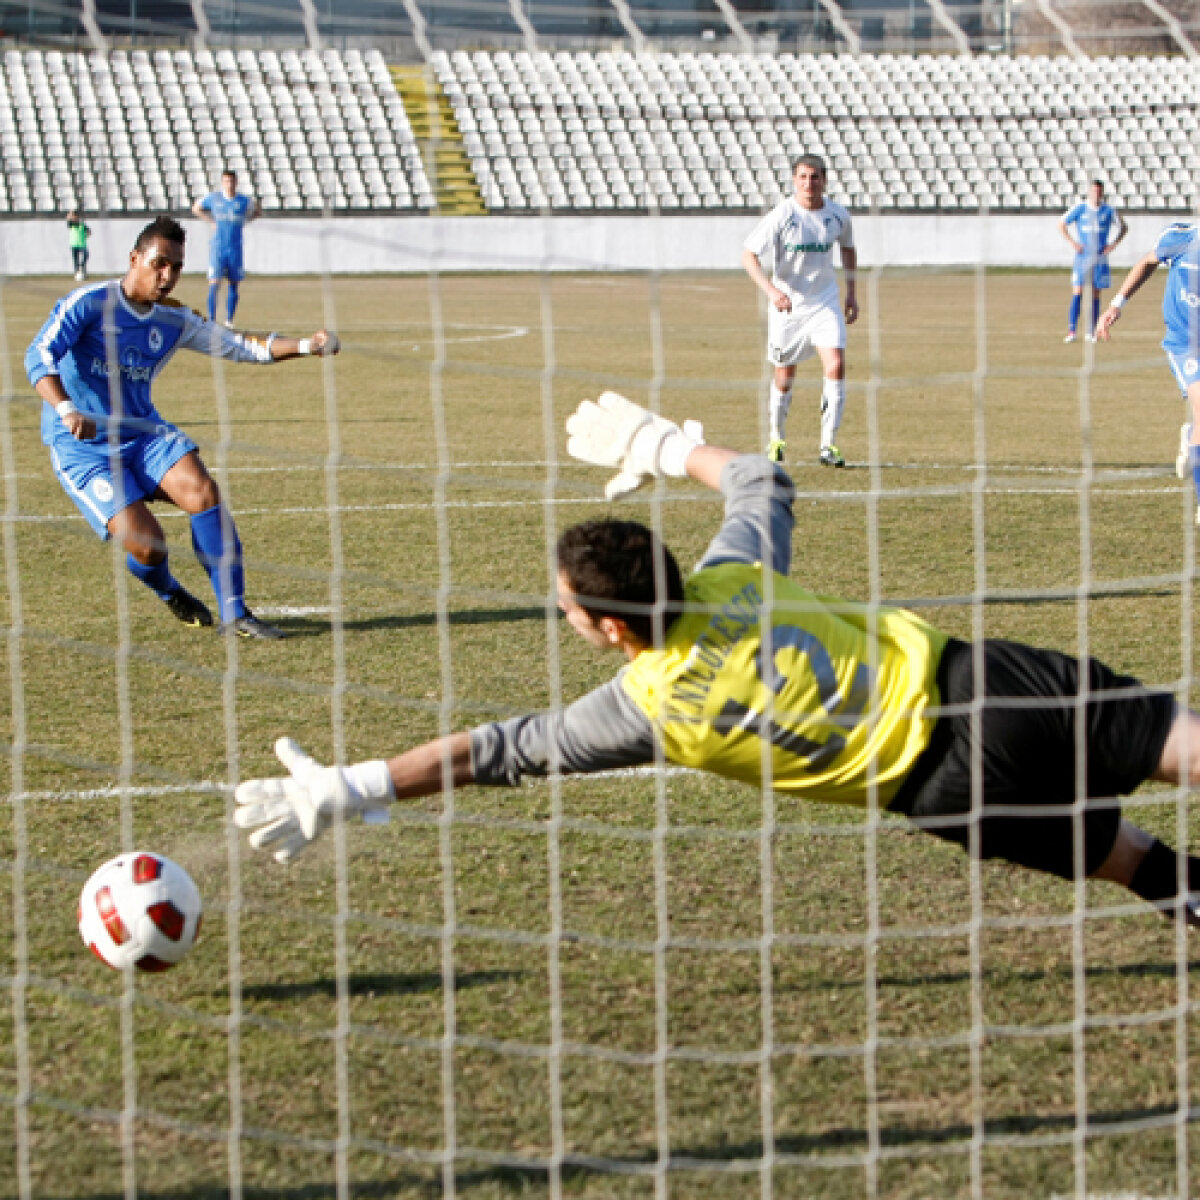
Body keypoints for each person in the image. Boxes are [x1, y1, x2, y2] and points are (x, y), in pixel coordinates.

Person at [233, 391, 1200, 930]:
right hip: (980, 681)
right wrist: (660, 444)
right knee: (1182, 748)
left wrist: (355, 786)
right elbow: (758, 479)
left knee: (1127, 860)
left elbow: (499, 750)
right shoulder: (733, 575)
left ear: (613, 631)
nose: (561, 610)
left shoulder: (646, 709)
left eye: (567, 605)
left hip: (942, 790)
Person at [26, 215, 340, 640]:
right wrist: (65, 408)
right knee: (147, 546)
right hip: (83, 447)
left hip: (143, 434)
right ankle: (168, 590)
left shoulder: (173, 319)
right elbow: (38, 355)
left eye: (175, 267)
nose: (167, 276)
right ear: (134, 259)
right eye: (159, 264)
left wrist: (307, 346)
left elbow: (239, 346)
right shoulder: (88, 303)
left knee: (202, 491)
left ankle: (235, 614)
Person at [741, 154, 858, 467]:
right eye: (803, 177)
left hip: (824, 303)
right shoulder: (782, 215)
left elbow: (848, 249)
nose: (809, 183)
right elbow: (749, 255)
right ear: (794, 180)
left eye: (815, 177)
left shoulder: (837, 215)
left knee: (836, 365)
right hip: (788, 308)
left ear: (824, 180)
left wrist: (851, 293)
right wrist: (772, 291)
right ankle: (776, 438)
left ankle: (828, 445)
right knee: (784, 375)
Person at [1095, 221, 1200, 519]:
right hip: (1185, 345)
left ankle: (1191, 435)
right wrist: (1117, 304)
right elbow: (1147, 261)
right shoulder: (1181, 238)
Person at [1058, 180, 1126, 344]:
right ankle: (1072, 331)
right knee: (1078, 291)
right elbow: (1061, 224)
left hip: (1100, 259)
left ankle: (1091, 331)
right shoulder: (1080, 208)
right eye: (1094, 191)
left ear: (1102, 193)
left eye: (1099, 191)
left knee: (1095, 293)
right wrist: (1072, 242)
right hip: (1082, 258)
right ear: (1089, 192)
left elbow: (1123, 227)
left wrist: (1113, 244)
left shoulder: (1108, 210)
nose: (1096, 194)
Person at [192, 169, 260, 327]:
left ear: (236, 182)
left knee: (234, 283)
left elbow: (257, 211)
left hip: (235, 248)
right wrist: (210, 221)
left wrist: (245, 220)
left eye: (231, 181)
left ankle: (229, 320)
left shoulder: (243, 200)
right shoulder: (214, 198)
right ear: (222, 182)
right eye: (226, 181)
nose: (229, 184)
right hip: (218, 247)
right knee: (214, 283)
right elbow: (196, 208)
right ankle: (211, 319)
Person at [66, 211, 91, 282]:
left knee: (86, 255)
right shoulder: (71, 224)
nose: (74, 218)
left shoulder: (82, 225)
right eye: (73, 217)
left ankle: (82, 269)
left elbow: (89, 232)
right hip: (74, 244)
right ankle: (77, 273)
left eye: (75, 216)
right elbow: (68, 220)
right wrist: (70, 214)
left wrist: (86, 236)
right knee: (75, 260)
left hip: (82, 244)